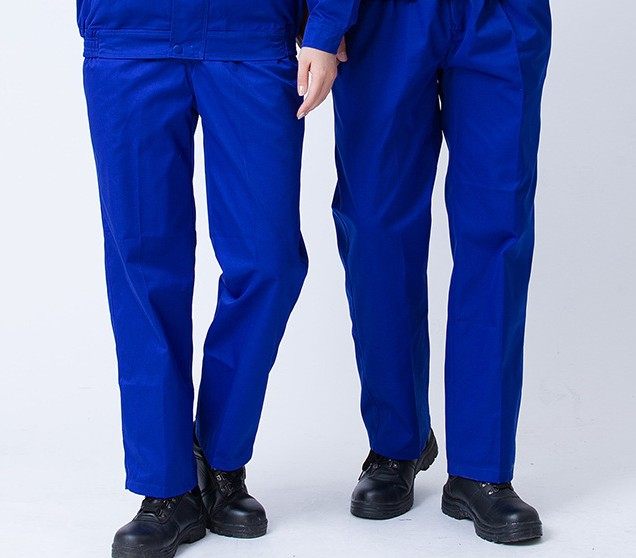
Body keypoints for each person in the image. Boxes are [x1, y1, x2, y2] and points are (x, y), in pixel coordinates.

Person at [78, 1, 357, 556]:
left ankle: (220, 456)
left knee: (270, 262)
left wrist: (326, 26)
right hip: (129, 33)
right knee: (142, 269)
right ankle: (166, 489)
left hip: (251, 33)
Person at [331, 0, 551, 543]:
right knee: (375, 230)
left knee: (497, 231)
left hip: (500, 14)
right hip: (381, 15)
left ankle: (482, 468)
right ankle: (395, 442)